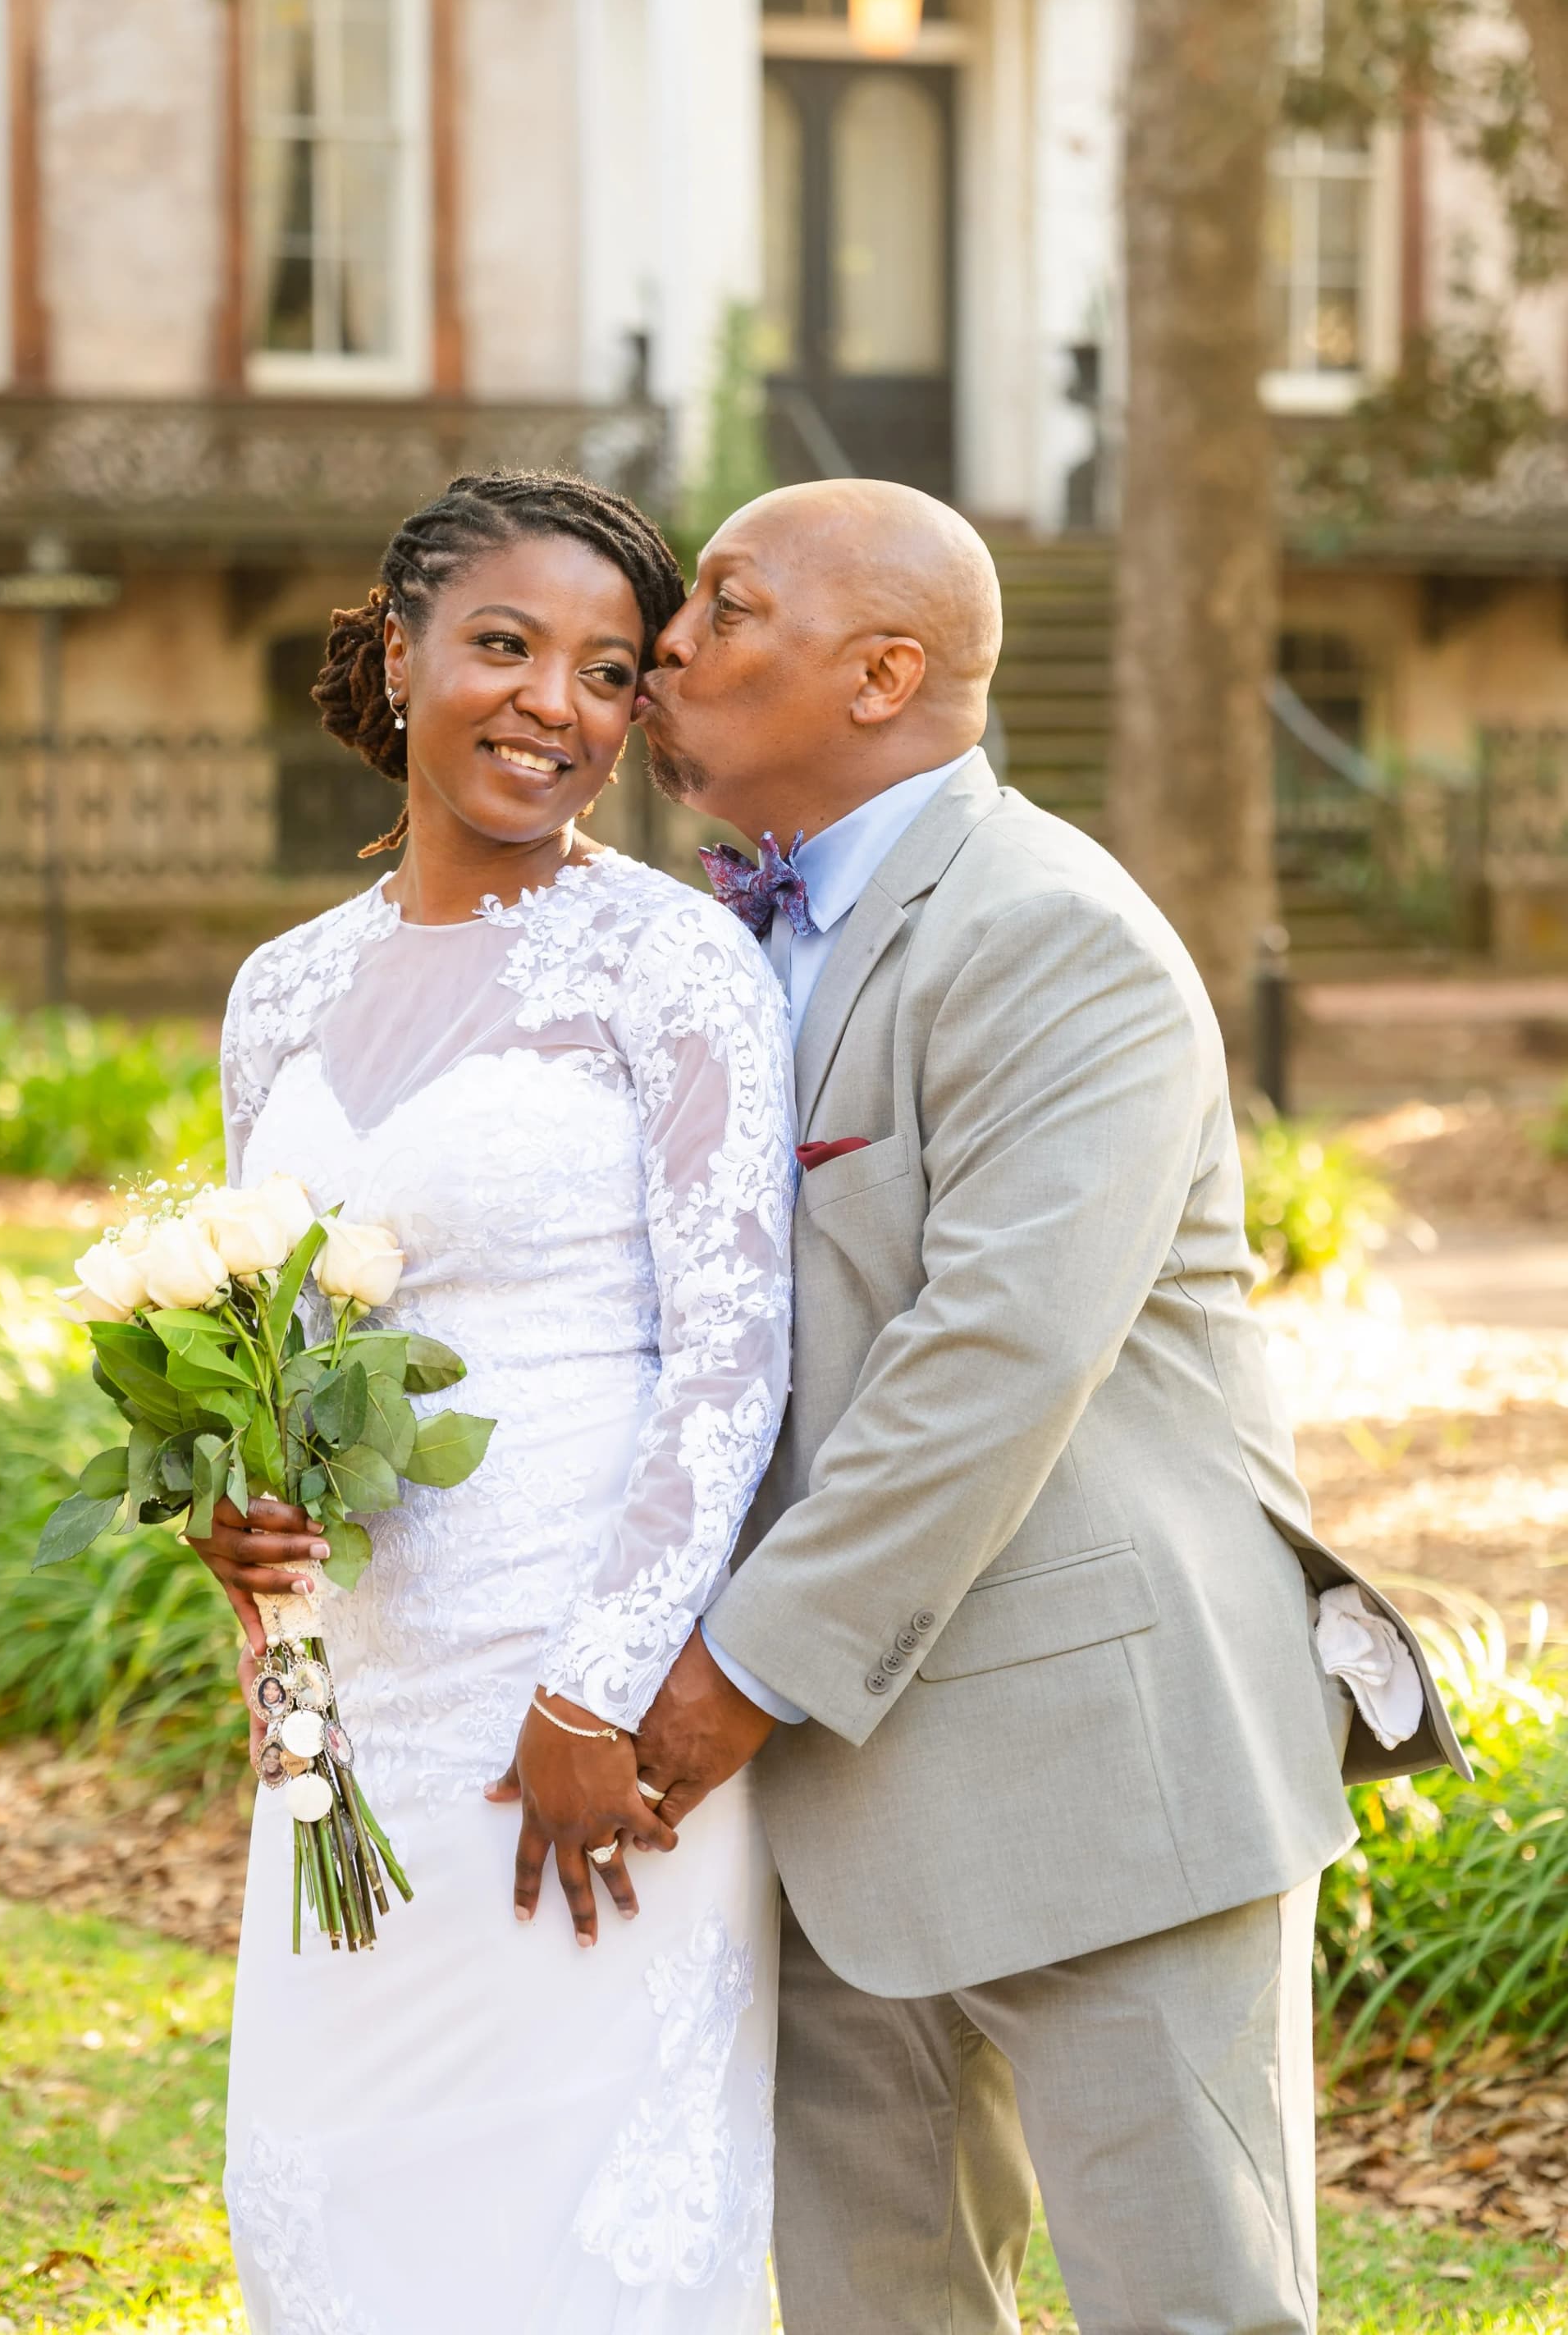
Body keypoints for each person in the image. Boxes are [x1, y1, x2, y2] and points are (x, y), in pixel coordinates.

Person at [606, 478, 1469, 2335]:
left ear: (882, 672)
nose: (668, 637)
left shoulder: (1051, 931)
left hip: (1102, 1769)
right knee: (875, 2312)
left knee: (1192, 2311)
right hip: (824, 1805)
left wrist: (729, 1678)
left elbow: (992, 1360)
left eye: (729, 606)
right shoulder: (703, 948)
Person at [193, 469, 793, 2334]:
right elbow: (266, 1355)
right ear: (399, 652)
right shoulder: (280, 991)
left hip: (573, 1724)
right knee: (339, 2212)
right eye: (508, 646)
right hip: (342, 1725)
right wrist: (245, 1534)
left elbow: (732, 1356)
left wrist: (592, 1691)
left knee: (576, 2243)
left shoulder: (671, 962)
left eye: (611, 673)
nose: (557, 703)